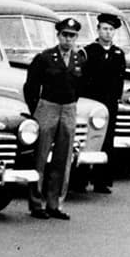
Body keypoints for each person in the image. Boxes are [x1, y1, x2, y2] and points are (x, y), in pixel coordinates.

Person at [21, 17, 84, 219]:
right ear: (58, 35)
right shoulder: (45, 58)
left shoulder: (79, 59)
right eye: (65, 35)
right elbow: (30, 86)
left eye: (72, 36)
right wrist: (36, 109)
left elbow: (80, 86)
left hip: (69, 108)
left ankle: (55, 203)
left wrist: (72, 104)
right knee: (40, 156)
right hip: (47, 106)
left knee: (63, 157)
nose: (68, 40)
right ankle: (36, 203)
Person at [78, 13, 129, 192]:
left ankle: (102, 180)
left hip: (109, 104)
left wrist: (117, 98)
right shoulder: (88, 52)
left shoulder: (118, 53)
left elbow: (120, 79)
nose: (107, 33)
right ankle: (80, 180)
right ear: (98, 30)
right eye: (104, 29)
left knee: (107, 140)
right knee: (87, 140)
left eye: (111, 30)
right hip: (91, 103)